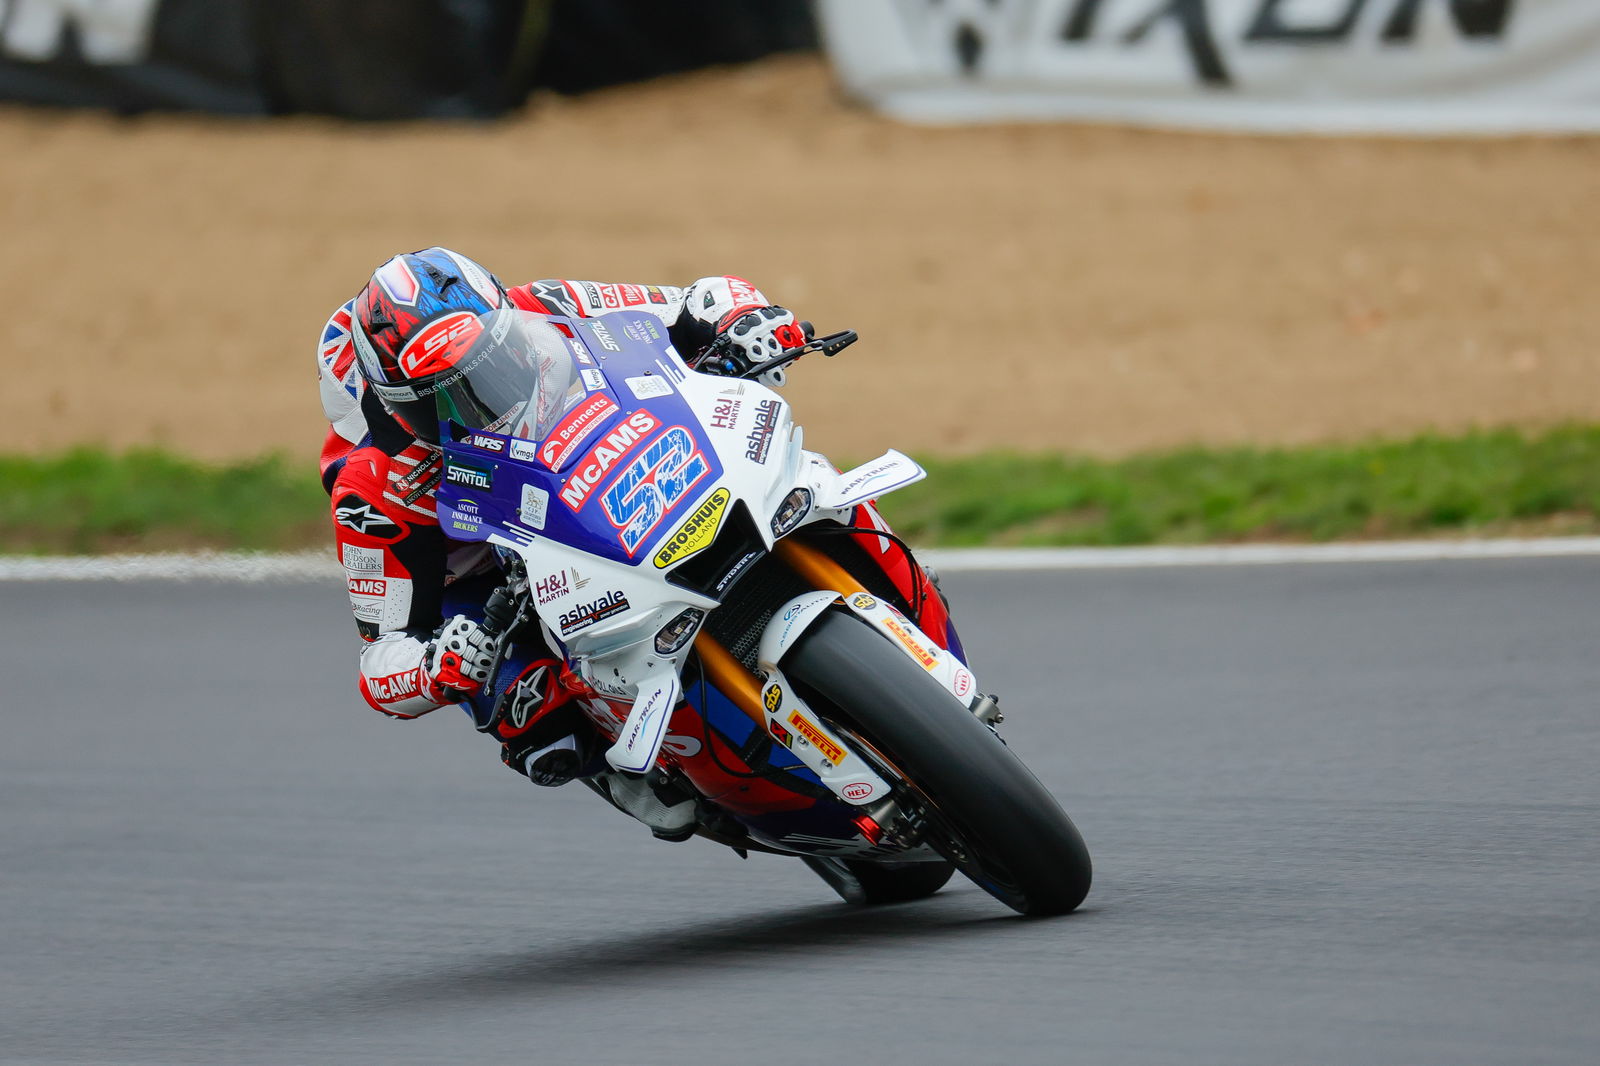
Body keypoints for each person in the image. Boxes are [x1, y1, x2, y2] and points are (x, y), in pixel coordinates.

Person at [315, 246, 807, 838]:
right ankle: (630, 771)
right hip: (488, 578)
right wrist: (434, 666)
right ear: (388, 406)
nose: (474, 401)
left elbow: (684, 306)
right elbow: (378, 660)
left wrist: (743, 320)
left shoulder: (543, 303)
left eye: (487, 366)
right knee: (538, 728)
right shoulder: (370, 486)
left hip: (608, 470)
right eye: (435, 400)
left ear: (504, 319)